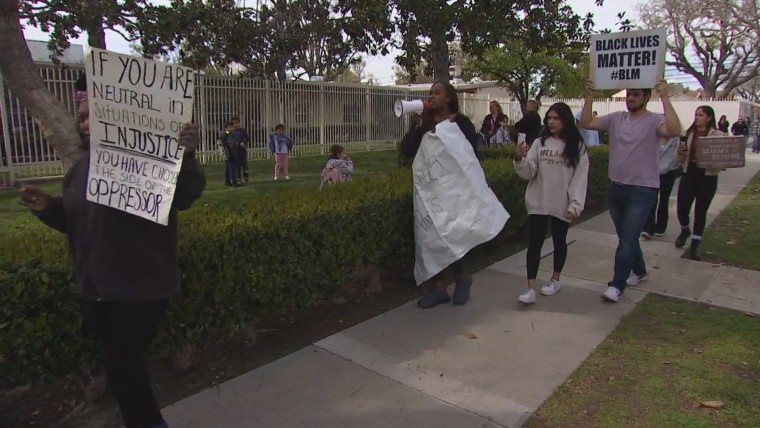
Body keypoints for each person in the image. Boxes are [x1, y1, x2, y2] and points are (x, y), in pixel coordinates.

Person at [19, 74, 206, 428]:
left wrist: (188, 154)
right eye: (81, 116)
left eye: (91, 114)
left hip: (141, 288)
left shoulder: (145, 160)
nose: (83, 122)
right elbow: (78, 223)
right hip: (97, 289)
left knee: (123, 371)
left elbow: (185, 195)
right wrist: (47, 207)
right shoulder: (79, 170)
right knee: (121, 369)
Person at [580, 79, 681, 303]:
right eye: (629, 95)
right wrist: (590, 95)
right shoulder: (616, 118)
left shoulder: (655, 120)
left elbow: (674, 130)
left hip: (642, 190)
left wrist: (664, 97)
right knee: (628, 236)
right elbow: (586, 122)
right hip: (617, 186)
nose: (631, 99)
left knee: (626, 239)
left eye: (636, 95)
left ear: (646, 97)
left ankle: (617, 284)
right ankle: (640, 271)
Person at [400, 81, 480, 309]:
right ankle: (438, 287)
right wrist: (418, 125)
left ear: (448, 98)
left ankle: (463, 277)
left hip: (453, 191)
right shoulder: (425, 124)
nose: (432, 97)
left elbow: (471, 153)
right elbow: (406, 151)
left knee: (451, 235)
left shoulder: (461, 123)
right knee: (429, 239)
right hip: (429, 192)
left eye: (437, 93)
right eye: (430, 93)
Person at [513, 102, 589, 304]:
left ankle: (555, 279)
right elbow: (529, 171)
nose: (551, 121)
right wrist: (519, 159)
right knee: (535, 243)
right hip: (539, 201)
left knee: (559, 241)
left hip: (561, 203)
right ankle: (530, 288)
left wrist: (575, 205)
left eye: (556, 118)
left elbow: (580, 178)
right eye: (549, 118)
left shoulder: (577, 147)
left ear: (565, 120)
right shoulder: (539, 143)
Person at [674, 106, 726, 260]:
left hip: (707, 176)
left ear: (709, 118)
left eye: (701, 115)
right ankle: (685, 230)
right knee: (682, 207)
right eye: (696, 115)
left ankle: (695, 245)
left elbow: (724, 160)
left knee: (700, 211)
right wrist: (679, 152)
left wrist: (716, 163)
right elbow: (676, 159)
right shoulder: (688, 134)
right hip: (689, 173)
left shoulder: (718, 135)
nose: (697, 118)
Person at [641, 136, 681, 239]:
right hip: (652, 172)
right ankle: (648, 228)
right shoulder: (653, 136)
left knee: (664, 199)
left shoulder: (675, 139)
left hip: (668, 173)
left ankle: (661, 227)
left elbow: (676, 158)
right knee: (651, 199)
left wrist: (667, 167)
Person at [230, 116, 250, 183]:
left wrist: (243, 142)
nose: (235, 124)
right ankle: (238, 178)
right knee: (237, 166)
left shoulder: (243, 130)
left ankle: (246, 177)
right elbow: (225, 133)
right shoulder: (231, 132)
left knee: (244, 165)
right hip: (235, 151)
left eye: (236, 123)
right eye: (234, 123)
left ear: (239, 123)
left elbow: (247, 138)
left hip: (242, 150)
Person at [220, 121, 239, 187]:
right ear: (227, 127)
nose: (232, 128)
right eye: (231, 127)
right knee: (232, 167)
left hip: (226, 153)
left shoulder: (225, 133)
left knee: (227, 167)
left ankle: (227, 181)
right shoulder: (227, 134)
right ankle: (234, 182)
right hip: (229, 153)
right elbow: (230, 144)